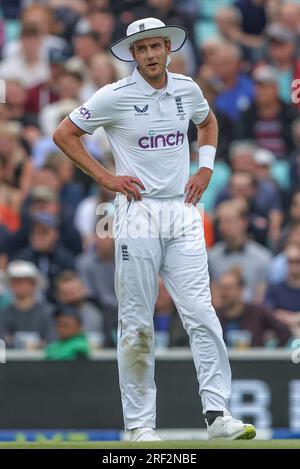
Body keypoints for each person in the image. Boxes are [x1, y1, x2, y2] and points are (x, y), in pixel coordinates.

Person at [53, 17, 256, 442]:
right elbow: (65, 133)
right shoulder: (114, 96)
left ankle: (218, 414)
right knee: (137, 323)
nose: (148, 55)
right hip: (137, 213)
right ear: (132, 54)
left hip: (183, 212)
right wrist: (106, 178)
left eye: (154, 47)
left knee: (201, 313)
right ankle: (140, 426)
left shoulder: (187, 88)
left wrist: (205, 168)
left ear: (167, 47)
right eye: (140, 49)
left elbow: (208, 123)